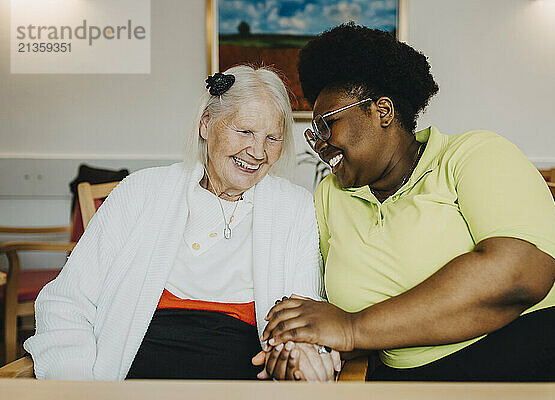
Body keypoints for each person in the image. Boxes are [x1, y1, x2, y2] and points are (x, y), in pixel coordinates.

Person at [260, 23, 555, 381]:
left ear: (383, 111)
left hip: (542, 351)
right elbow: (336, 315)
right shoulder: (330, 197)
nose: (320, 143)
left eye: (328, 125)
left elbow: (520, 274)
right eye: (314, 133)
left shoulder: (472, 154)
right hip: (417, 381)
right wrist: (304, 347)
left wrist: (352, 328)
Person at [24, 64, 339, 381]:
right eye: (245, 132)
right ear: (207, 124)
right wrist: (78, 389)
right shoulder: (141, 192)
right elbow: (67, 303)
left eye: (272, 138)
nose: (257, 152)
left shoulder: (294, 208)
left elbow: (305, 316)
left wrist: (301, 355)